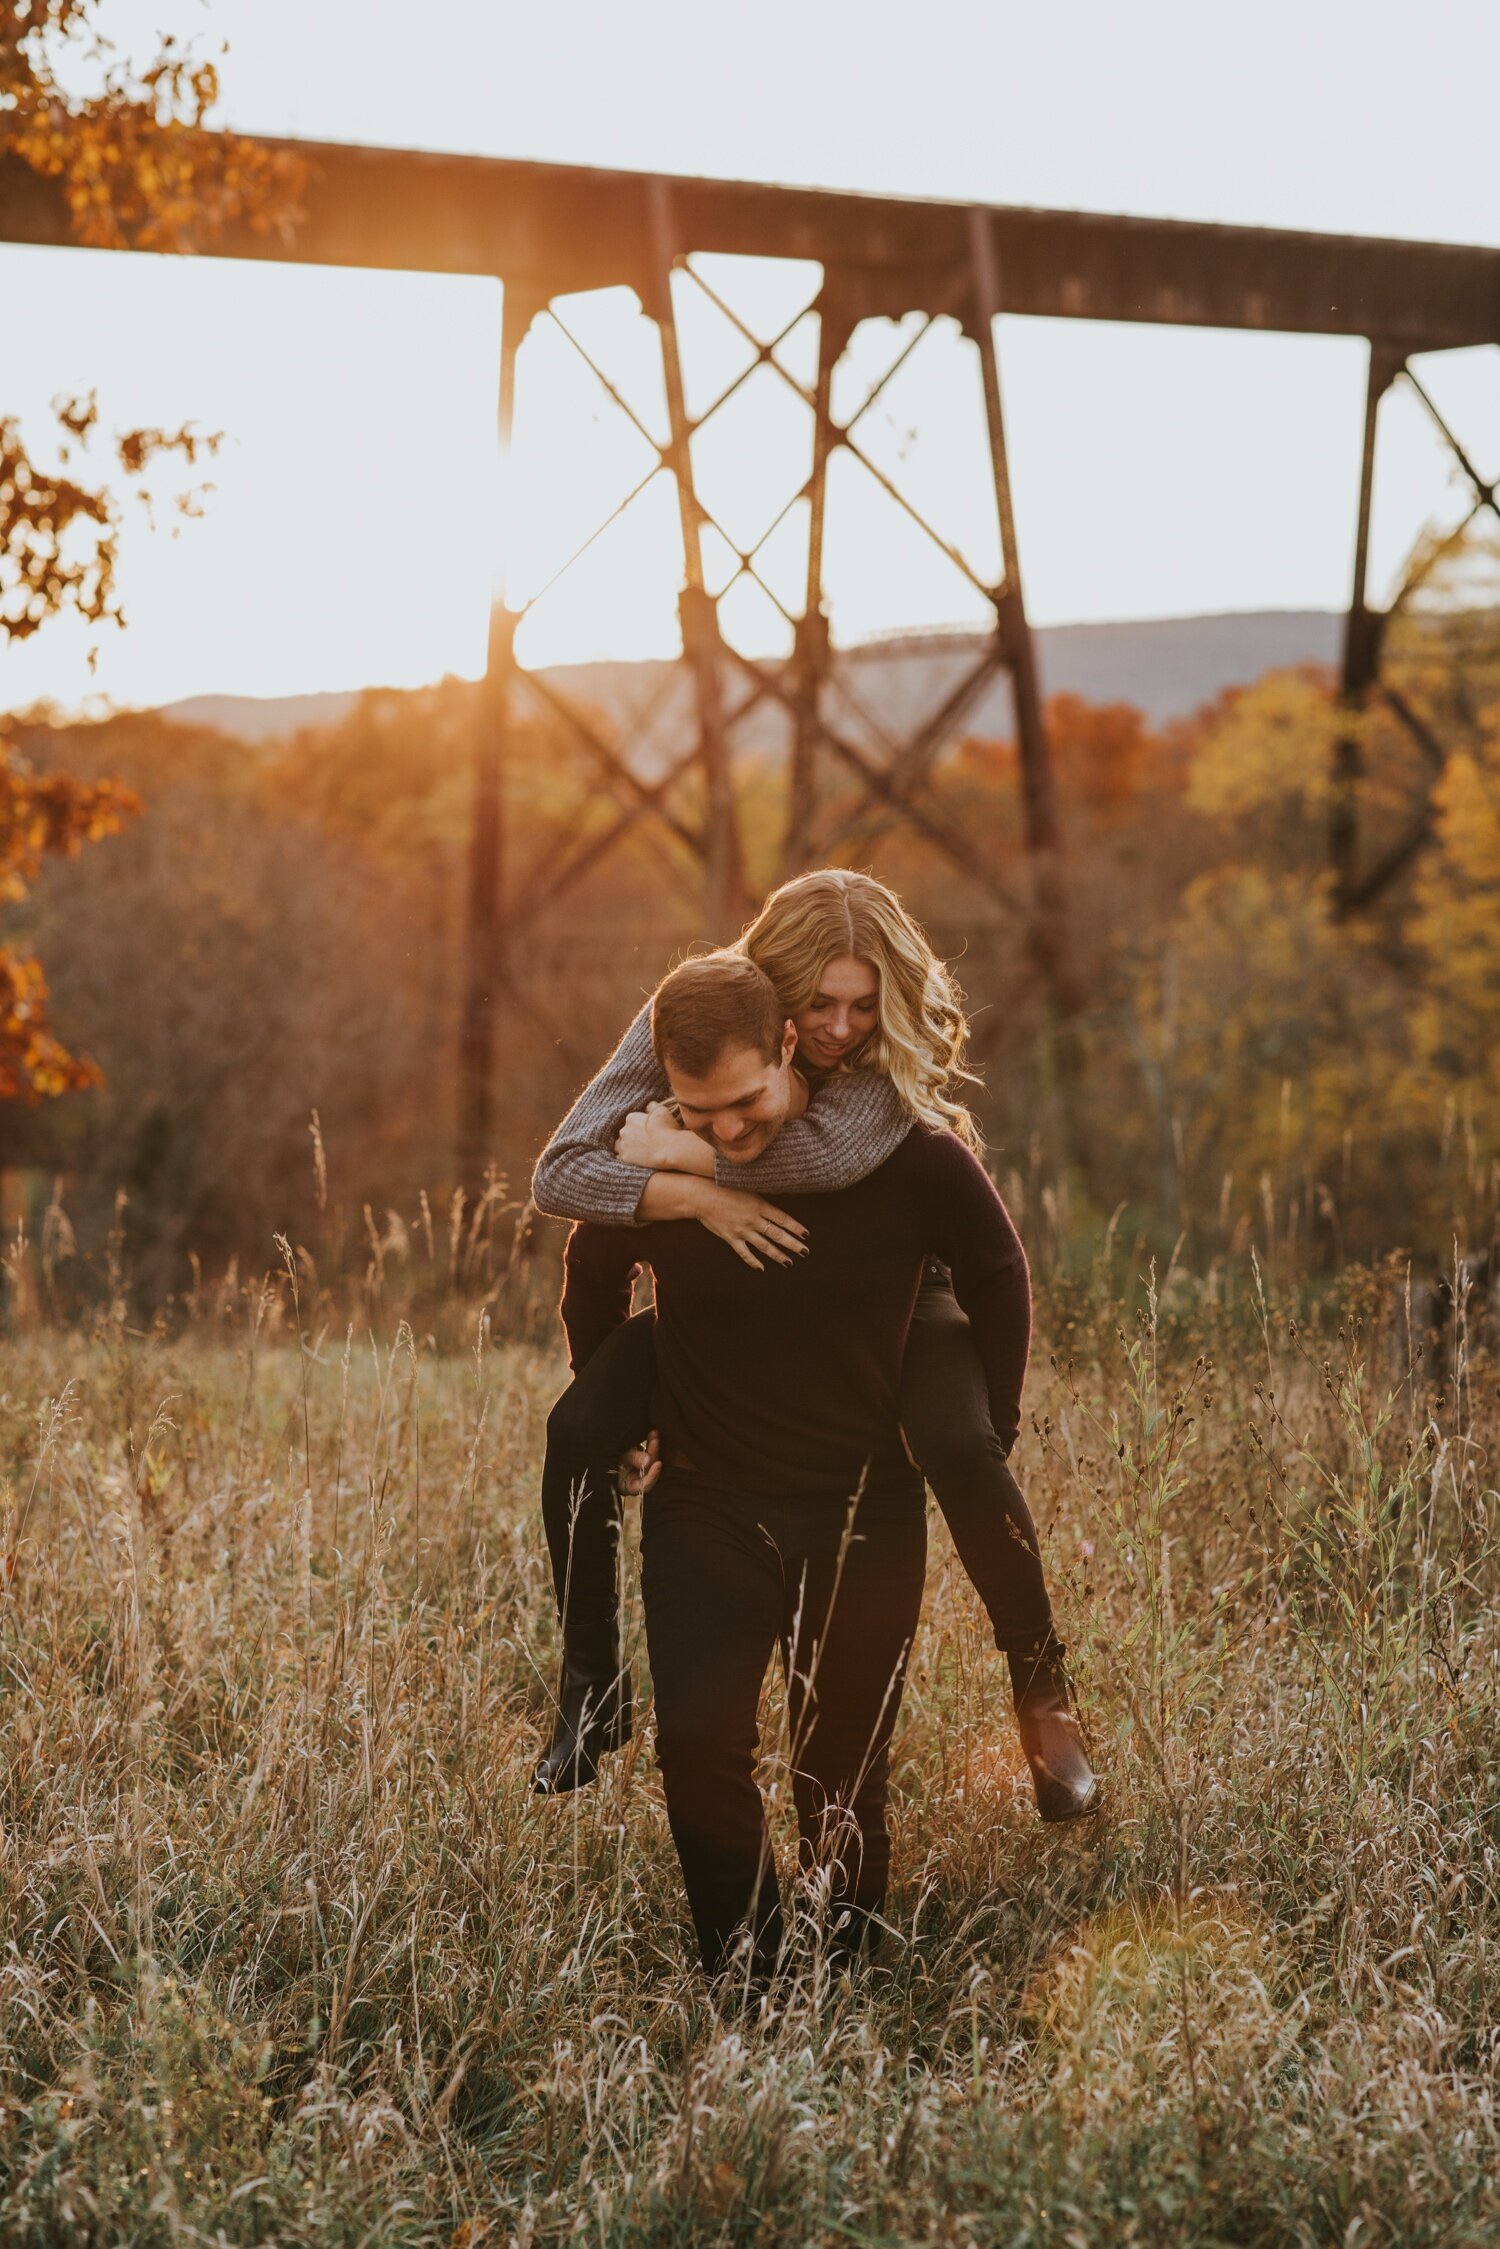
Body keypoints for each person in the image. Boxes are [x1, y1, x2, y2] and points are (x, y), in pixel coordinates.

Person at [529, 869, 1099, 1827]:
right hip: (735, 1298)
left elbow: (832, 1164)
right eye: (821, 1002)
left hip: (893, 1290)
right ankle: (590, 1685)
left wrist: (686, 1150)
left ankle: (1042, 1695)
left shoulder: (879, 1064)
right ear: (776, 996)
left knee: (958, 1446)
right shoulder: (707, 1012)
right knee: (581, 1422)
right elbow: (562, 1174)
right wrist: (703, 1196)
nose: (840, 1026)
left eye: (862, 1005)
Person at [558, 950, 1050, 1982]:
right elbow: (590, 1270)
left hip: (862, 1511)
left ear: (789, 1043)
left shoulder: (909, 1155)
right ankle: (752, 1986)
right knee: (698, 1757)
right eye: (700, 1112)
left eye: (744, 1102)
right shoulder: (657, 1172)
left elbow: (1000, 1272)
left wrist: (987, 1431)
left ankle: (850, 1981)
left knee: (841, 1778)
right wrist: (624, 1398)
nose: (729, 1132)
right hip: (704, 1505)